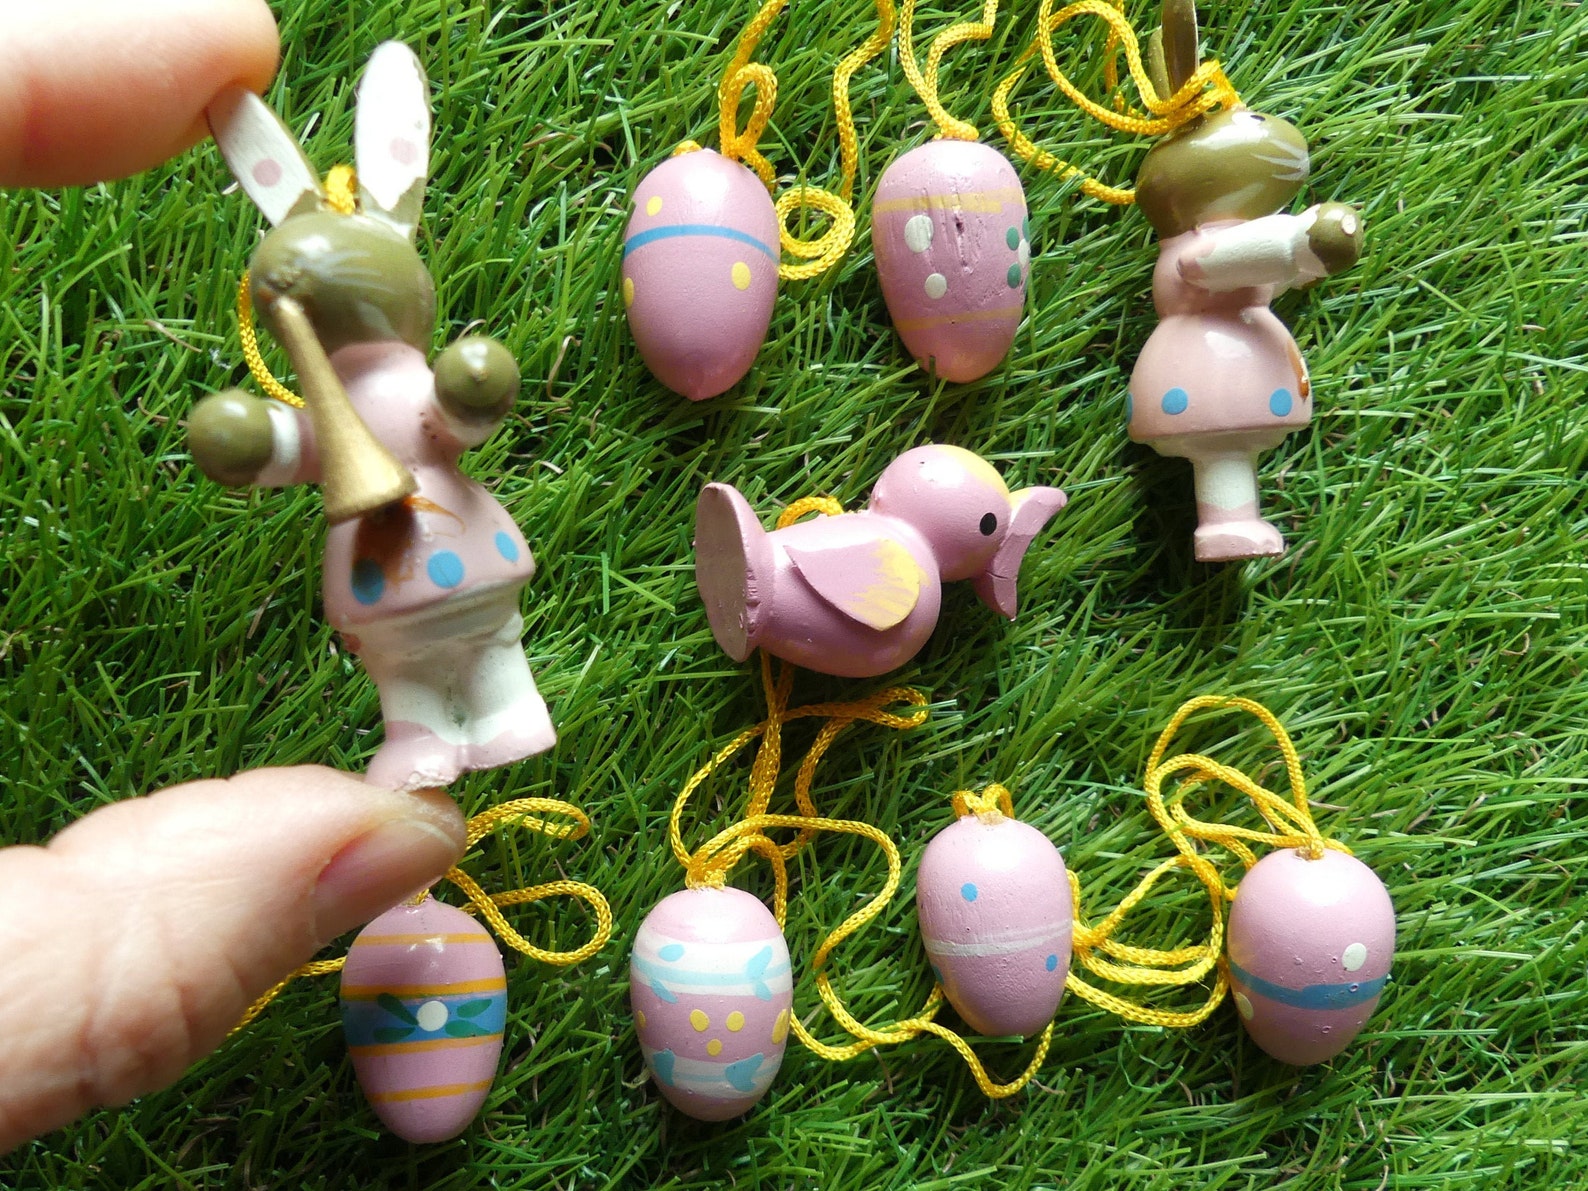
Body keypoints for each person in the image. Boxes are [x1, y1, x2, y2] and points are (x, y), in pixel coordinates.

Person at [0, 1, 470, 1153]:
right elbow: (303, 446)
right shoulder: (336, 393)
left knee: (484, 662)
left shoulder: (401, 387)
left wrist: (468, 391)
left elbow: (454, 415)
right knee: (408, 682)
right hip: (389, 584)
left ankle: (492, 709)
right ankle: (427, 729)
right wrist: (259, 439)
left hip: (460, 555)